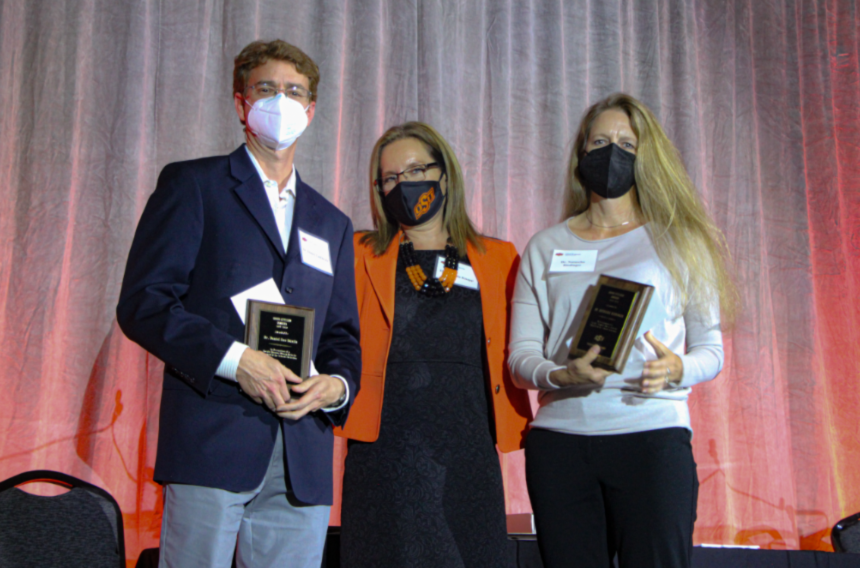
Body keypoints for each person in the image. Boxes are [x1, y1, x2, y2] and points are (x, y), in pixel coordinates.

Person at [116, 40, 361, 568]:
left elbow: (342, 334)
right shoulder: (194, 185)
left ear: (311, 110)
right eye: (266, 88)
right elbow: (144, 302)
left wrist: (337, 387)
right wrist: (237, 361)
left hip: (302, 451)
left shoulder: (333, 223)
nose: (281, 101)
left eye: (294, 91)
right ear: (240, 103)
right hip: (212, 439)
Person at [509, 93, 737, 568]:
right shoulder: (545, 246)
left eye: (627, 144)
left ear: (647, 156)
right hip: (560, 443)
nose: (612, 152)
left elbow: (711, 350)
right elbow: (520, 359)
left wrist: (678, 369)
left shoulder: (680, 239)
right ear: (580, 154)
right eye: (600, 142)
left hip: (651, 435)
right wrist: (561, 375)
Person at [335, 122, 532, 567]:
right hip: (383, 453)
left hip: (467, 451)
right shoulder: (357, 253)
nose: (403, 184)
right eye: (390, 178)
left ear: (444, 174)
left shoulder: (500, 258)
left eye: (415, 170)